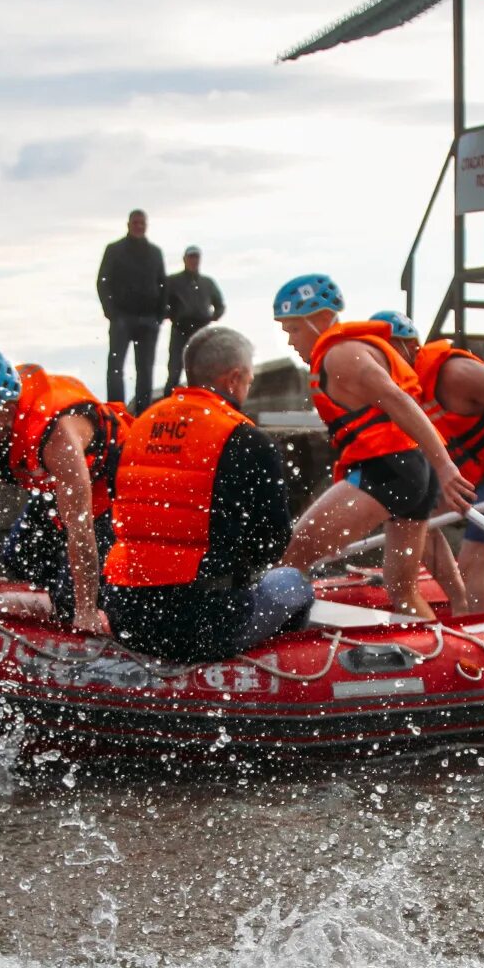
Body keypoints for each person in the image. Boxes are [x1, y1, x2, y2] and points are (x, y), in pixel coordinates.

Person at [102, 324, 311, 662]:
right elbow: (272, 541)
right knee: (293, 582)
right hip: (203, 624)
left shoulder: (137, 429)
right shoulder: (248, 440)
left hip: (126, 613)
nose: (247, 387)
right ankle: (273, 679)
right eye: (248, 381)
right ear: (234, 378)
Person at [273, 274, 475, 619]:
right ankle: (433, 647)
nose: (290, 341)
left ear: (321, 319)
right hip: (410, 474)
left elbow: (397, 400)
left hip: (386, 472)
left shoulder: (341, 355)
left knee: (291, 560)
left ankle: (275, 649)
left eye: (293, 329)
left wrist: (444, 466)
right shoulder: (347, 351)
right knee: (402, 589)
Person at [372, 309, 484, 613]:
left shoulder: (456, 375)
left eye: (387, 355)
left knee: (473, 563)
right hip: (476, 475)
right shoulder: (399, 395)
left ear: (411, 348)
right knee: (419, 521)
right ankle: (460, 605)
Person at [0, 353, 131, 632]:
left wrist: (85, 610)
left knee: (76, 594)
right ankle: (59, 598)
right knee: (19, 554)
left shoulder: (58, 437)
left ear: (4, 412)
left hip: (113, 485)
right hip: (54, 487)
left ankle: (91, 608)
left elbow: (80, 529)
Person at [96, 209, 168, 413]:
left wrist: (160, 315)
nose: (138, 226)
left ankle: (143, 413)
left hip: (148, 319)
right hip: (122, 318)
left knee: (145, 370)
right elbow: (103, 281)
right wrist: (110, 311)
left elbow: (163, 283)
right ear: (128, 224)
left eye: (142, 223)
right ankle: (116, 412)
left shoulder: (155, 252)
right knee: (116, 367)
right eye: (135, 222)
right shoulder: (114, 249)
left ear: (146, 225)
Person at [163, 245, 226, 396]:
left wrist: (212, 317)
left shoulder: (207, 283)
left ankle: (203, 405)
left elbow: (220, 305)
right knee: (174, 371)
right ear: (184, 259)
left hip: (202, 332)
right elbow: (162, 303)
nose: (194, 260)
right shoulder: (173, 281)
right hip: (180, 330)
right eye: (191, 257)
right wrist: (174, 316)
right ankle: (168, 404)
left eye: (196, 257)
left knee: (203, 371)